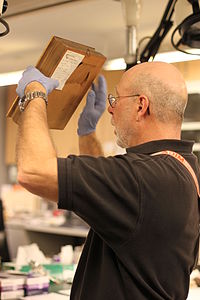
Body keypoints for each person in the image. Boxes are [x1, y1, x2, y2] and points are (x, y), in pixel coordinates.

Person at [15, 61, 200, 300]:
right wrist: (87, 133)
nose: (110, 110)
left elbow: (33, 171)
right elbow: (104, 196)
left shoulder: (145, 179)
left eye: (116, 101)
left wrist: (34, 93)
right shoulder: (179, 168)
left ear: (141, 106)